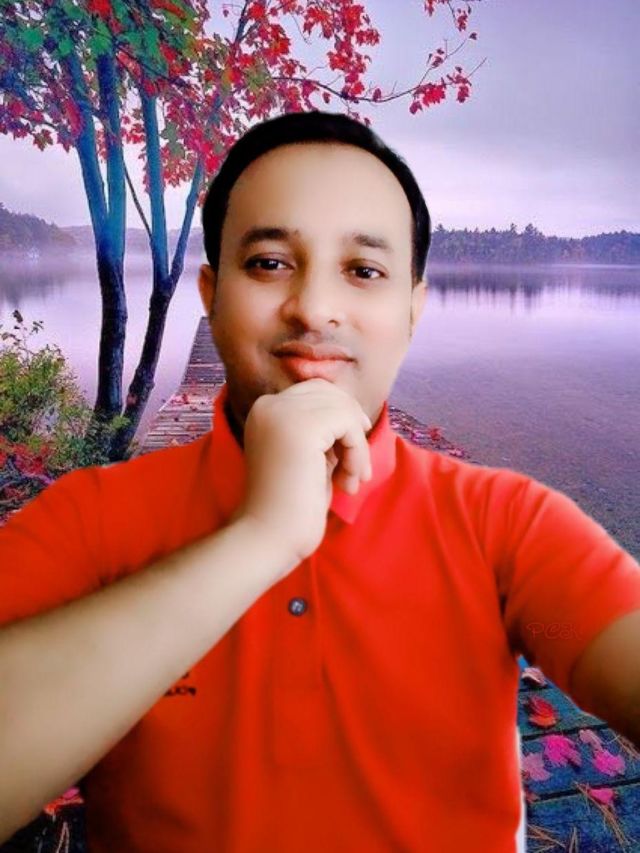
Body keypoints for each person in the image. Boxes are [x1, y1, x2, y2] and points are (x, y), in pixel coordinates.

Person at [1, 109, 639, 853]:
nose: (313, 308)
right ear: (211, 293)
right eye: (270, 262)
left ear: (412, 308)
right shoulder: (90, 519)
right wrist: (260, 538)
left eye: (364, 271)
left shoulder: (506, 525)